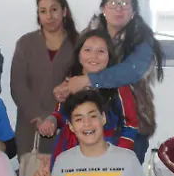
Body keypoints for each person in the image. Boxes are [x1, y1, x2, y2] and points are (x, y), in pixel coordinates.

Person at [54, 0, 165, 162]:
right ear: (103, 7)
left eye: (125, 3)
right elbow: (76, 69)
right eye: (113, 2)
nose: (118, 8)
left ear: (133, 11)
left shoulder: (142, 39)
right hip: (87, 125)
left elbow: (130, 72)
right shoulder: (89, 34)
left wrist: (88, 80)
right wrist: (65, 87)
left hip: (130, 126)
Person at [37, 29, 138, 167]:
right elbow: (61, 113)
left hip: (104, 154)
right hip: (68, 151)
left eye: (101, 51)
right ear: (78, 54)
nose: (94, 56)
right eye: (88, 50)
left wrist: (119, 155)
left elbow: (131, 124)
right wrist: (52, 120)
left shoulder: (120, 86)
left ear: (110, 56)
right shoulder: (70, 82)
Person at [10, 0, 79, 176]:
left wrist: (54, 118)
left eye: (54, 9)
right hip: (30, 127)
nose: (49, 16)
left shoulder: (79, 43)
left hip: (68, 127)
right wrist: (39, 117)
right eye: (43, 11)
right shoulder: (26, 43)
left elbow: (81, 88)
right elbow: (18, 86)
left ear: (64, 11)